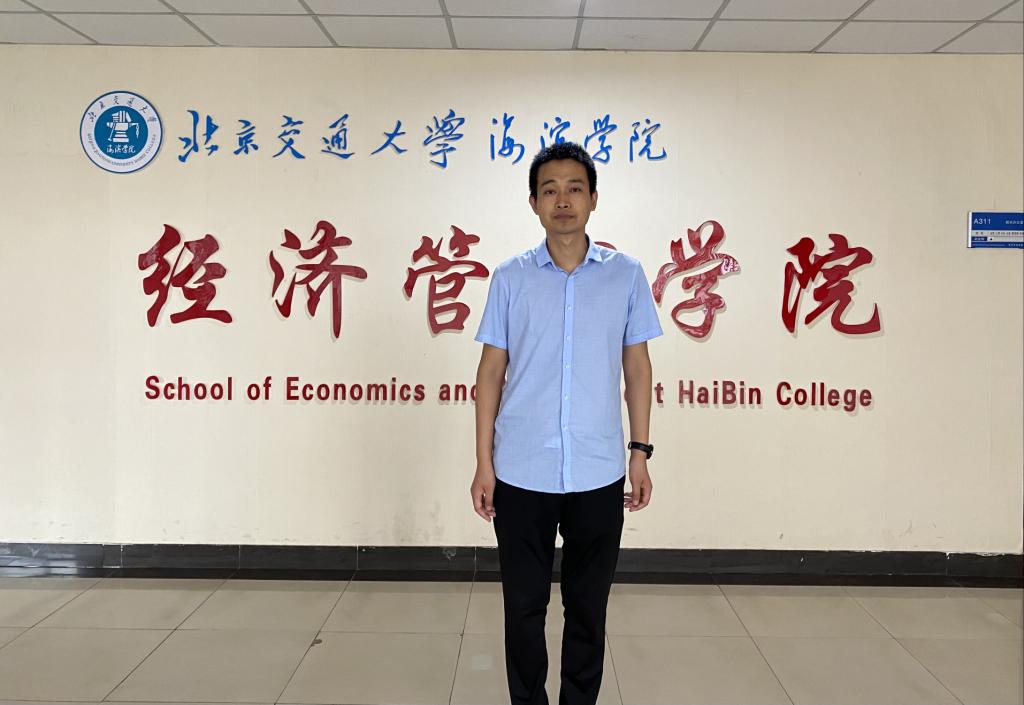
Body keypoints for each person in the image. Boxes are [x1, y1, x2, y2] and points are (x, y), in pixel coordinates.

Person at [471, 141, 662, 705]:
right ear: (533, 202)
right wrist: (483, 463)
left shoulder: (626, 275)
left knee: (587, 608)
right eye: (549, 190)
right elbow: (490, 373)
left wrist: (640, 452)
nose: (562, 201)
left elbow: (637, 368)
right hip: (521, 470)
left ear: (593, 199)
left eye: (574, 189)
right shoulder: (510, 278)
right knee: (523, 609)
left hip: (598, 471)